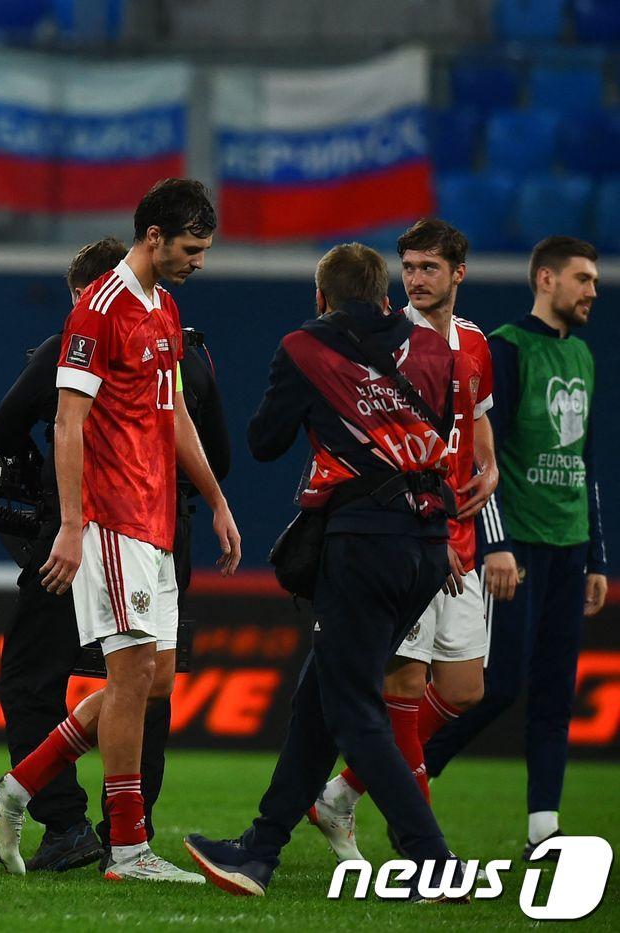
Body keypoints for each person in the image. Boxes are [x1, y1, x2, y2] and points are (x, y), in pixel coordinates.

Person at [0, 179, 240, 883]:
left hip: (157, 521)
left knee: (153, 683)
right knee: (128, 681)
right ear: (154, 236)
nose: (199, 261)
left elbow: (174, 413)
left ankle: (14, 789)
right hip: (114, 518)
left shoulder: (164, 306)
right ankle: (127, 847)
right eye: (191, 247)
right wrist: (70, 523)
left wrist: (215, 498)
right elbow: (66, 421)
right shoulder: (101, 309)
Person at [185, 243, 459, 899]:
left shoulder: (307, 347)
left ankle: (432, 861)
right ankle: (260, 847)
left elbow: (264, 440)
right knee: (320, 701)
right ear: (386, 297)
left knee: (355, 712)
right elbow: (439, 436)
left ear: (321, 298)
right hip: (427, 544)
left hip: (364, 544)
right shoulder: (434, 352)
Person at [310, 219, 501, 861]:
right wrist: (425, 530)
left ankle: (342, 794)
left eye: (428, 269)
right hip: (410, 535)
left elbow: (475, 425)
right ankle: (421, 848)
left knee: (467, 689)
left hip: (462, 538)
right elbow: (382, 448)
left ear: (458, 274)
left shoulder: (473, 344)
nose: (416, 280)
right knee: (404, 686)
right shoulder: (387, 346)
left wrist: (492, 468)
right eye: (409, 268)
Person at [423, 236, 608, 857]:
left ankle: (543, 830)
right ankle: (397, 774)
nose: (592, 290)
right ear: (546, 279)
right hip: (517, 548)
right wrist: (496, 543)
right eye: (582, 279)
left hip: (570, 544)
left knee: (556, 691)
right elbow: (482, 459)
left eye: (595, 281)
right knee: (498, 685)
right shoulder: (504, 348)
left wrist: (597, 556)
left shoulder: (583, 354)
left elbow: (583, 463)